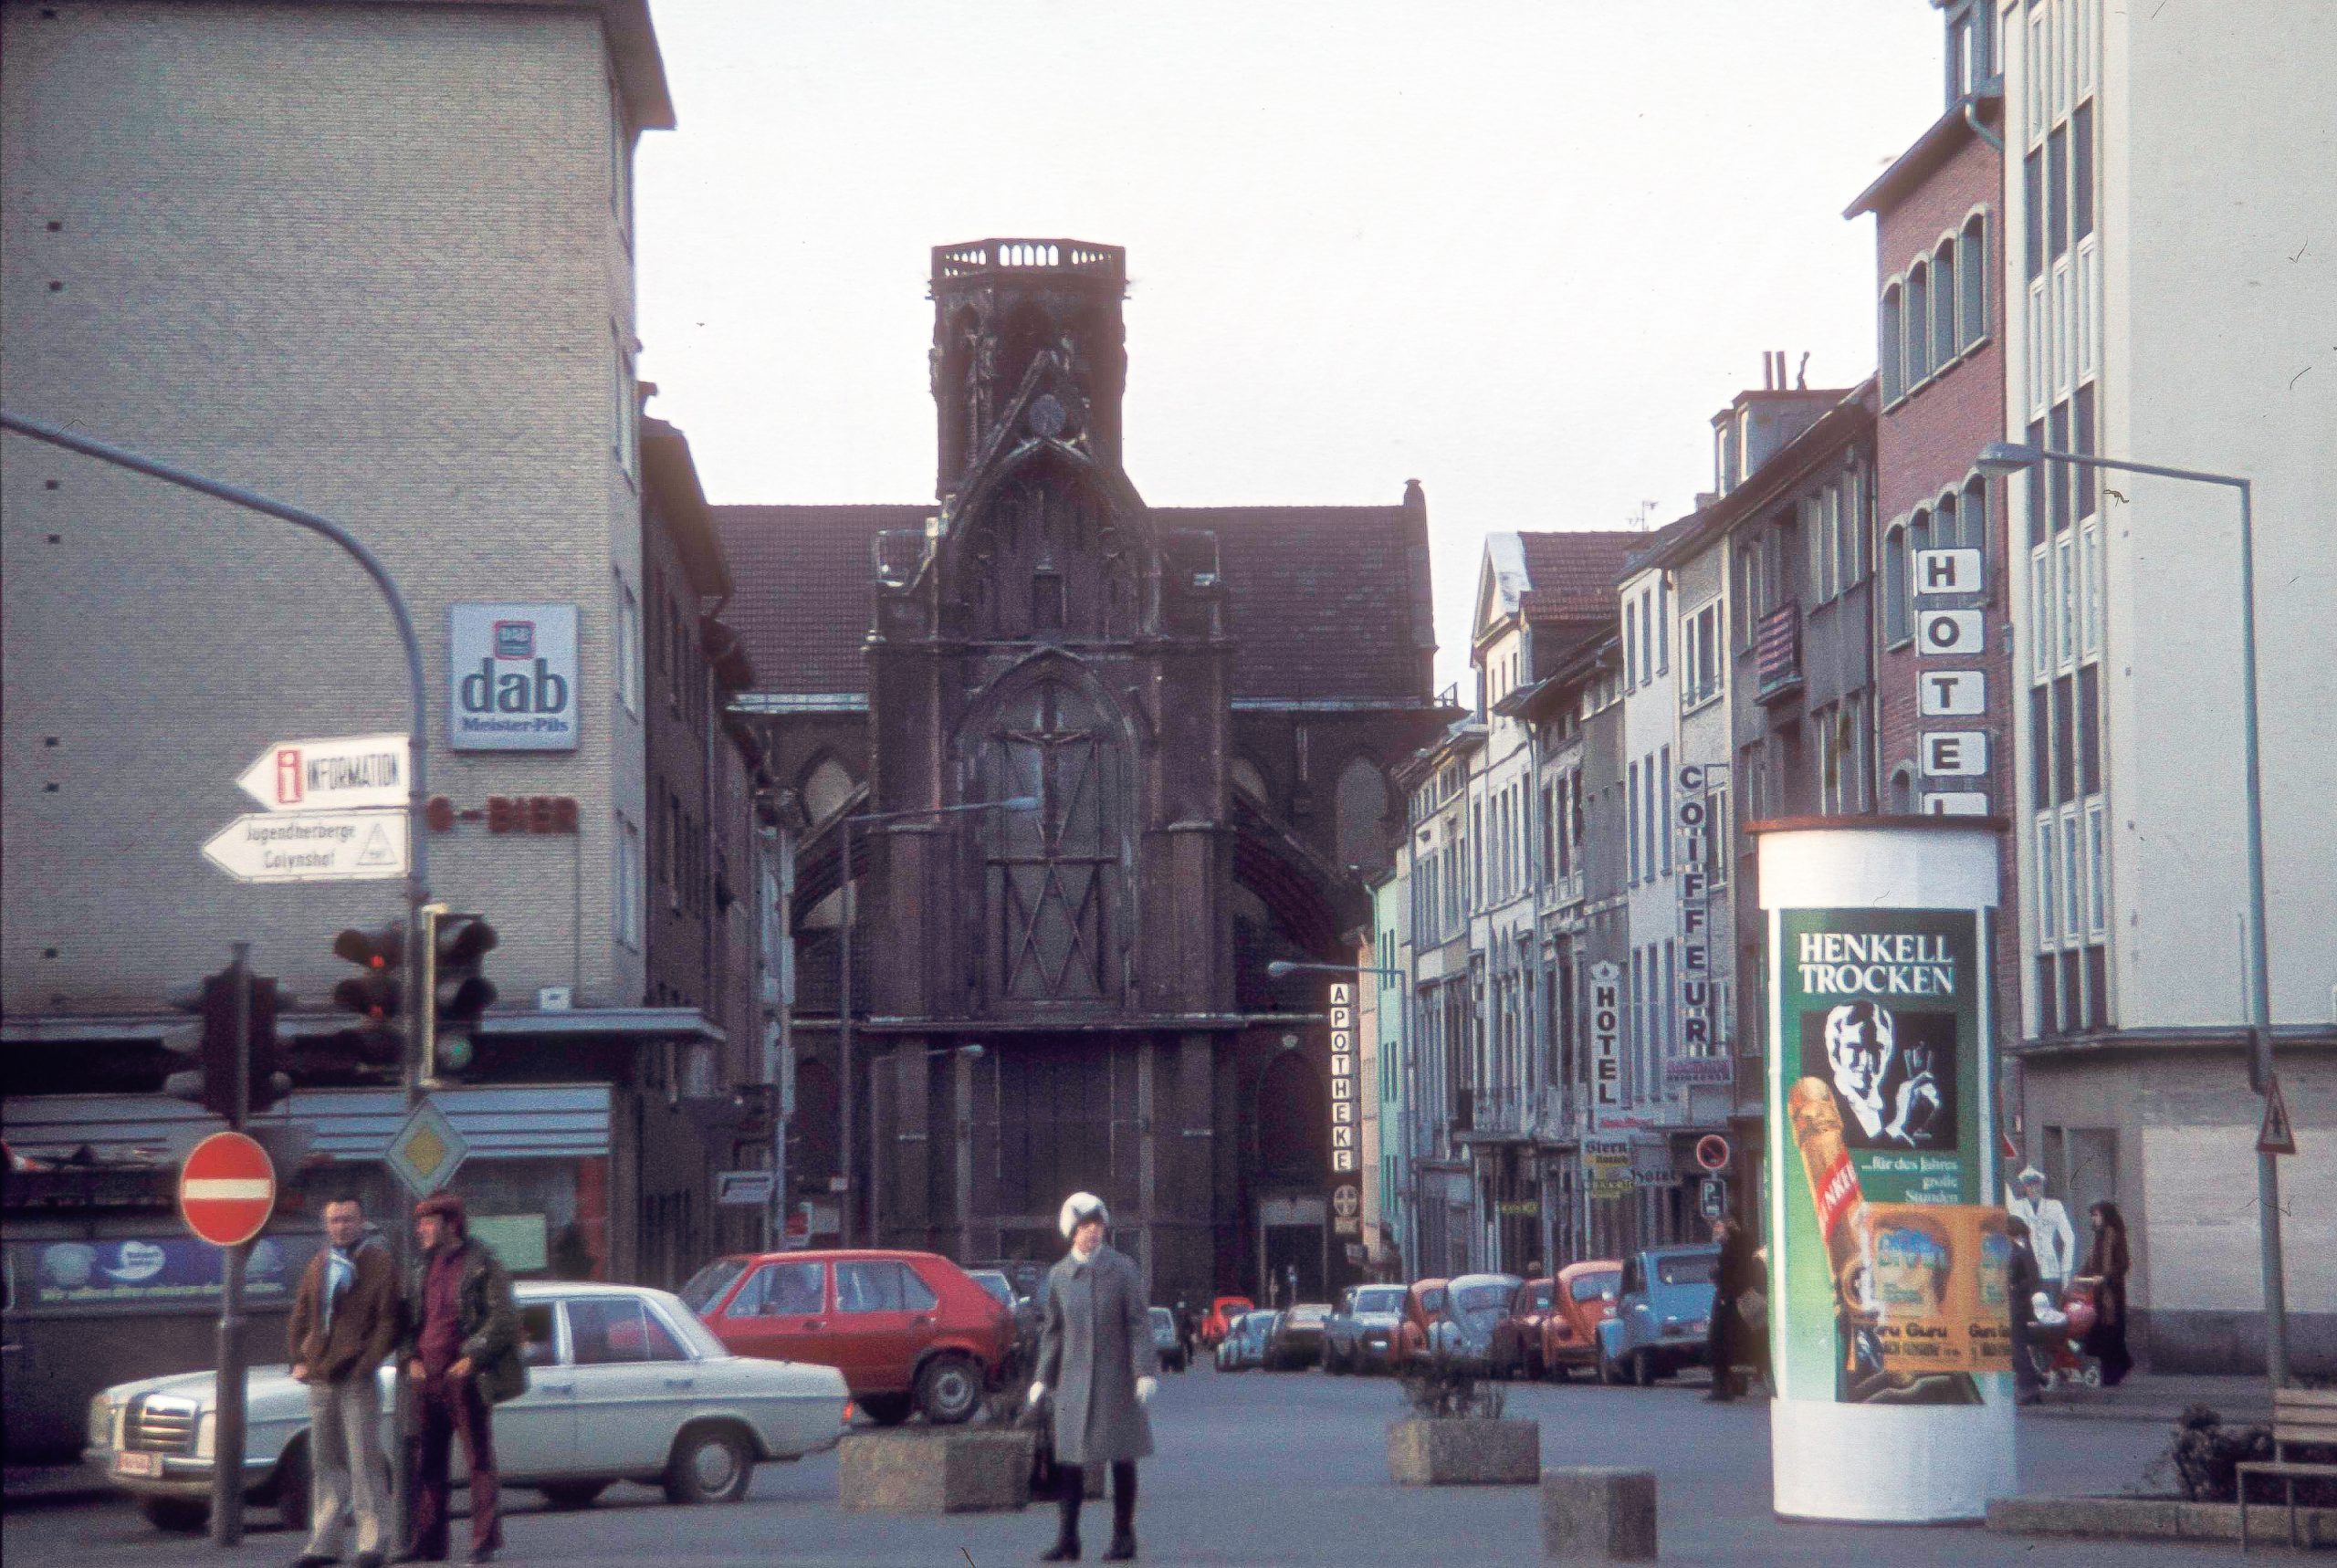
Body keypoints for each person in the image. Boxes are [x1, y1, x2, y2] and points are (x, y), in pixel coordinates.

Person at [1028, 1191, 1158, 1563]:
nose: (1093, 1232)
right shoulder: (1059, 1276)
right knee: (1069, 1463)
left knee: (1122, 1459)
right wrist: (1041, 1378)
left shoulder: (1123, 1269)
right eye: (1085, 1226)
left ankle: (1124, 1536)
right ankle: (1068, 1539)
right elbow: (1053, 1331)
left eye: (1098, 1225)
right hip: (1072, 1385)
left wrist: (1143, 1371)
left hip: (1116, 1382)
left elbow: (1138, 1323)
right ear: (1071, 1231)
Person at [397, 1193, 523, 1565]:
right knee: (428, 1462)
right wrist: (409, 1358)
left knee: (478, 1460)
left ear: (451, 1224)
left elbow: (504, 1320)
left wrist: (473, 1357)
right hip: (427, 1379)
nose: (420, 1230)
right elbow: (407, 1322)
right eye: (419, 1223)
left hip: (465, 1379)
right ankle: (430, 1543)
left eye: (427, 1222)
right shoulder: (420, 1267)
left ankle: (483, 1542)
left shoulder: (483, 1264)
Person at [288, 1195, 398, 1568]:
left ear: (361, 1221)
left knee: (364, 1459)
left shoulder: (378, 1262)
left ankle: (372, 1542)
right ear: (326, 1224)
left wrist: (366, 1364)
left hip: (357, 1378)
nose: (341, 1226)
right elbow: (302, 1312)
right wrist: (298, 1358)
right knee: (325, 1461)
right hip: (321, 1376)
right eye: (335, 1220)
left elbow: (388, 1321)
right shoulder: (320, 1263)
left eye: (348, 1219)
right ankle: (324, 1543)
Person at [1704, 1217, 1757, 1402]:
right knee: (1731, 1345)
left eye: (1719, 1227)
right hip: (1735, 1299)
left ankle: (1722, 1388)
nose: (1715, 1231)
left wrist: (1717, 1276)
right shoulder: (1740, 1247)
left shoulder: (1732, 1250)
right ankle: (1730, 1385)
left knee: (1719, 1343)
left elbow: (1729, 1274)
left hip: (1728, 1302)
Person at [2082, 1200, 2133, 1386]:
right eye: (2092, 1216)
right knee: (2101, 1332)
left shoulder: (2115, 1236)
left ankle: (2114, 1372)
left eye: (2096, 1215)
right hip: (2098, 1293)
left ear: (2105, 1216)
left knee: (2111, 1331)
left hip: (2112, 1294)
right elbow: (2091, 1262)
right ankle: (2114, 1368)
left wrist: (2105, 1277)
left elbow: (2123, 1264)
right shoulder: (2098, 1237)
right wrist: (2080, 1276)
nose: (2093, 1219)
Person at [2007, 1167, 2076, 1297]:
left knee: (2052, 1303)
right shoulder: (2017, 1206)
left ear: (2041, 1185)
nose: (2034, 1189)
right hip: (2027, 1269)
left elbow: (2069, 1237)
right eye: (2029, 1185)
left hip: (2050, 1269)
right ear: (2024, 1187)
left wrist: (2066, 1269)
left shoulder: (2054, 1206)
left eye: (2036, 1184)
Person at [2007, 1215, 2044, 1404]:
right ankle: (2032, 1384)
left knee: (2017, 1346)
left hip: (2019, 1304)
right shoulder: (2015, 1250)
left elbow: (2033, 1279)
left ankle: (2029, 1387)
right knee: (2016, 1346)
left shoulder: (2021, 1251)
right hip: (2014, 1303)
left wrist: (2014, 1287)